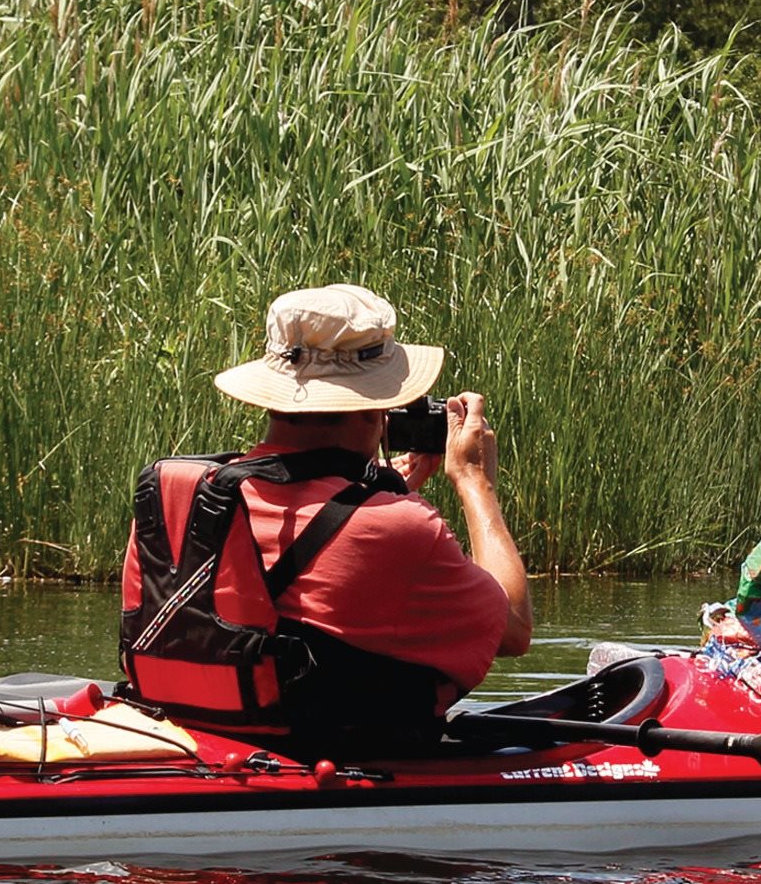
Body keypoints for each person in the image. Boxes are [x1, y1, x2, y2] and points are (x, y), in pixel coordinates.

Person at [119, 284, 530, 758]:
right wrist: (475, 482)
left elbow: (268, 590)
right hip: (326, 748)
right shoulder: (398, 527)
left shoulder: (186, 501)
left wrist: (364, 498)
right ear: (377, 404)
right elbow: (514, 629)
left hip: (195, 737)